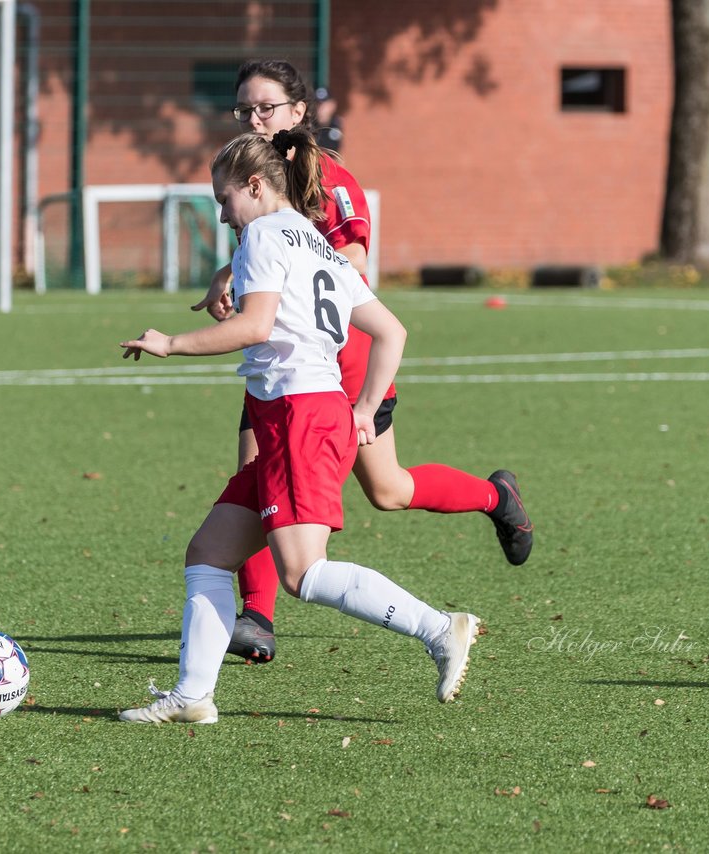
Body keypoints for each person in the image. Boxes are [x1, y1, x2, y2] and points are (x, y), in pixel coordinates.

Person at [117, 127, 479, 724]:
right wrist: (361, 409)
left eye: (224, 198)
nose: (223, 212)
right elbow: (392, 332)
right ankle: (192, 697)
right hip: (309, 411)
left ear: (255, 185)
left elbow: (256, 326)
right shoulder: (315, 241)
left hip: (298, 416)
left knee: (303, 572)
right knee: (208, 554)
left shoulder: (261, 233)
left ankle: (441, 629)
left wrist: (171, 343)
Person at [195, 59, 532, 665]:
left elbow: (347, 254)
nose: (253, 118)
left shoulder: (329, 179)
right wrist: (231, 272)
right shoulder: (255, 184)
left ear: (299, 113)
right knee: (250, 472)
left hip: (341, 364)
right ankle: (258, 618)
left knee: (390, 489)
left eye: (265, 107)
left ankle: (494, 497)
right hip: (282, 365)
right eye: (243, 109)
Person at [313, 86, 343, 153]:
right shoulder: (309, 126)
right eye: (317, 104)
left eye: (323, 105)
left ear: (332, 105)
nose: (320, 109)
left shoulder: (337, 125)